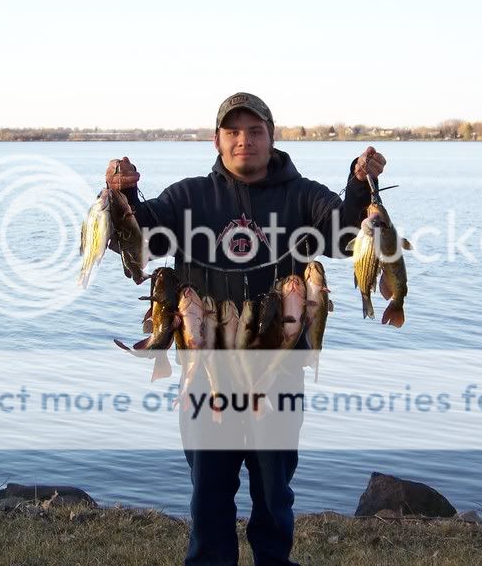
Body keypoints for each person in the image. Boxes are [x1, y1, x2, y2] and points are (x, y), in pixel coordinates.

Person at [105, 92, 384, 566]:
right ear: (217, 139)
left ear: (271, 137)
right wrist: (124, 195)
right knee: (208, 495)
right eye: (233, 131)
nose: (244, 141)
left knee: (274, 493)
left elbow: (342, 236)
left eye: (255, 131)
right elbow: (142, 243)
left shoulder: (301, 195)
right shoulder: (189, 195)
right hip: (204, 366)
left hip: (278, 368)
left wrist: (360, 186)